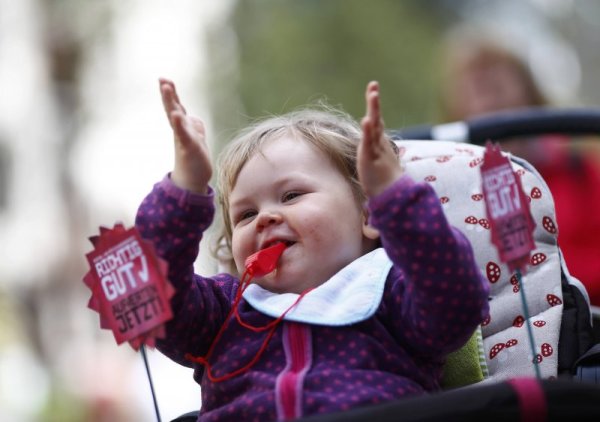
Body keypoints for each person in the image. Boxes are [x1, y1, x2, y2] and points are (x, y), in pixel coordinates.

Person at [135, 78, 490, 421]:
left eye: (291, 196)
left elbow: (456, 300)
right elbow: (155, 296)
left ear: (368, 212)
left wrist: (395, 199)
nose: (266, 218)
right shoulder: (222, 312)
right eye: (246, 214)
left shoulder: (392, 293)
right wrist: (185, 188)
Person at [438, 33, 600, 307]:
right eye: (475, 86)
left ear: (529, 93)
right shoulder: (447, 186)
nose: (487, 95)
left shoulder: (578, 170)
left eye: (496, 81)